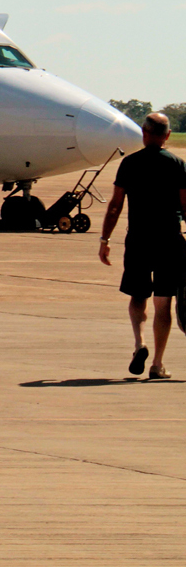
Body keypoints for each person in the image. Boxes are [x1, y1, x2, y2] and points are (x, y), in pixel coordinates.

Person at [99, 112, 186, 379]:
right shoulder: (177, 164)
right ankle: (157, 364)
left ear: (144, 134)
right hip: (169, 239)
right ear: (167, 135)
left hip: (138, 238)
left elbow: (115, 205)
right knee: (164, 302)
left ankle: (140, 343)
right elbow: (185, 203)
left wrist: (105, 239)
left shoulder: (130, 164)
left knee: (138, 296)